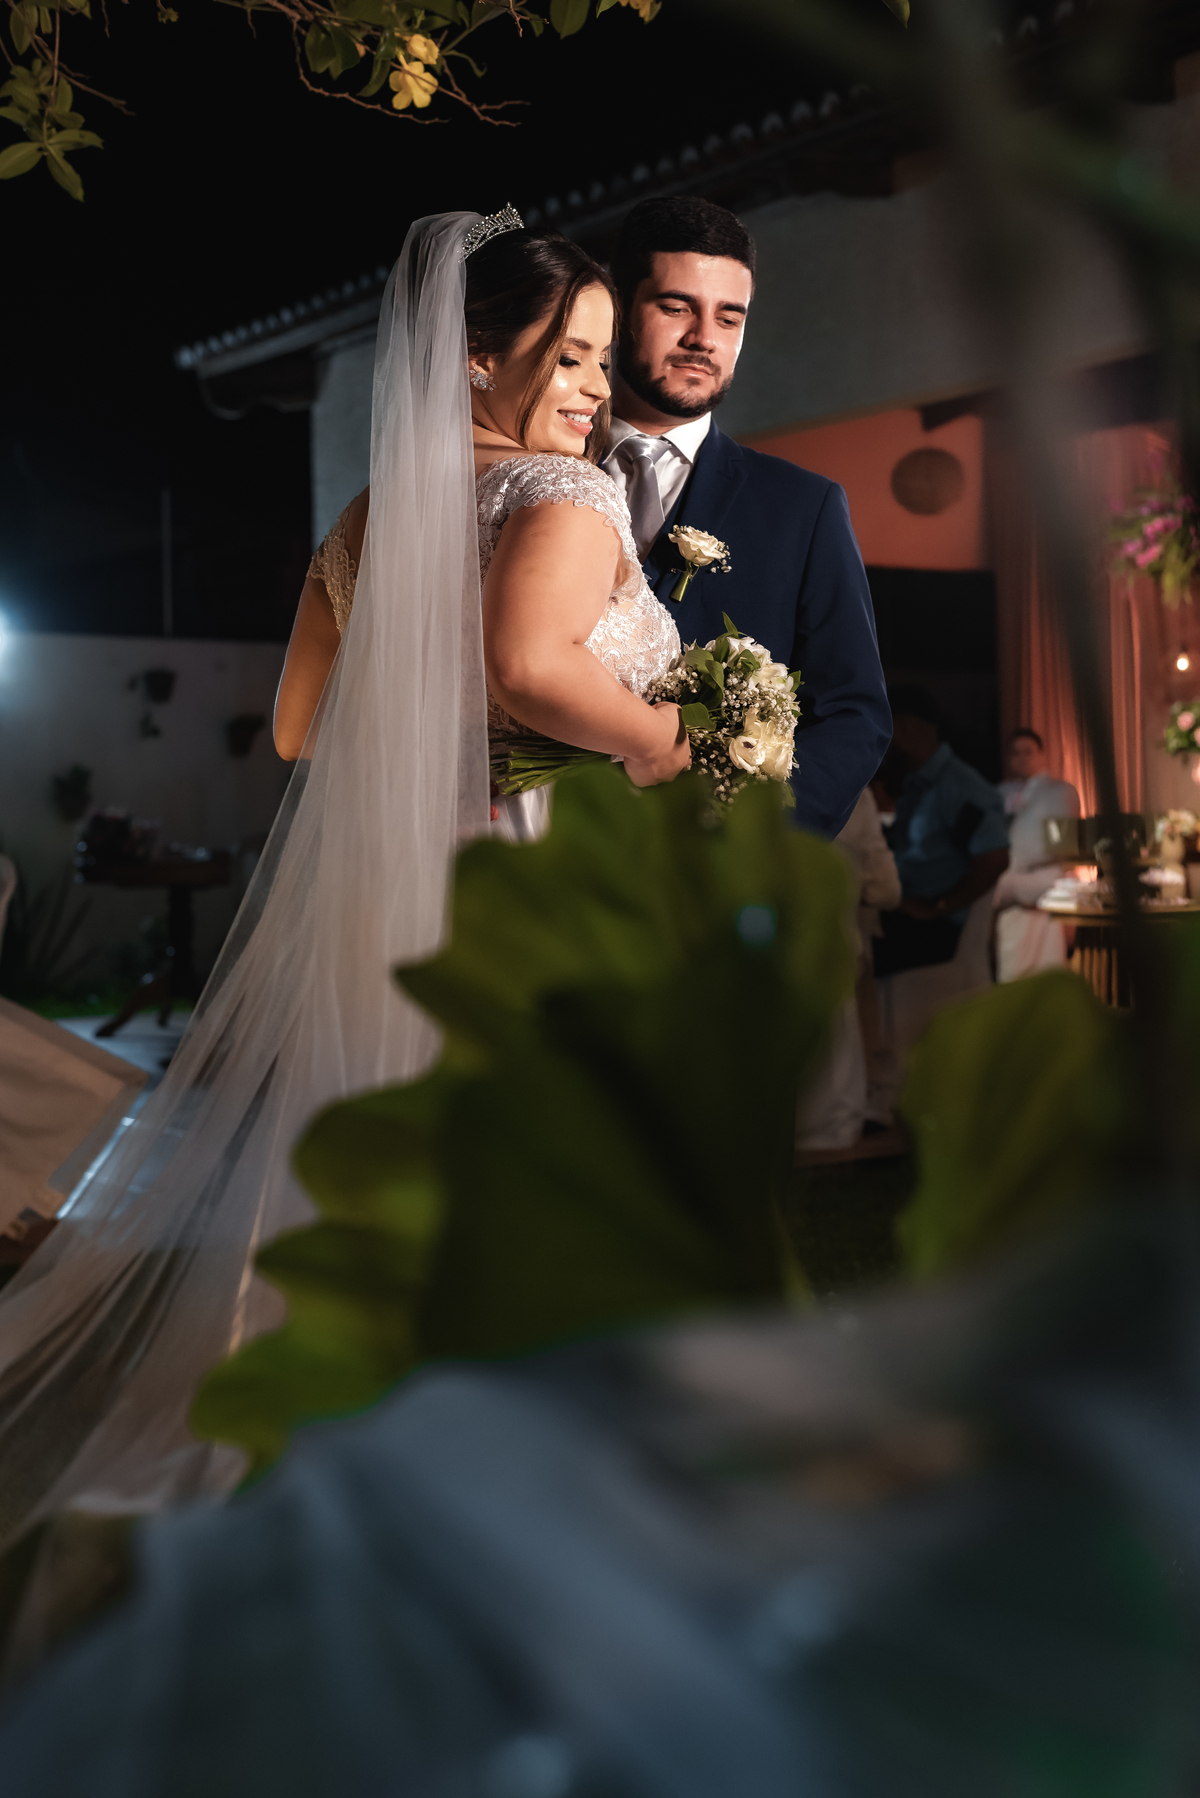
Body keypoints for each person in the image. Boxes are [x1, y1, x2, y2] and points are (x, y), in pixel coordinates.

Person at [0, 211, 689, 1551]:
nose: (597, 390)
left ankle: (397, 1414)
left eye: (606, 361)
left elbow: (300, 729)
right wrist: (661, 736)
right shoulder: (564, 494)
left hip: (410, 867)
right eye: (571, 356)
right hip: (531, 858)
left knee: (407, 1132)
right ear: (477, 355)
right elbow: (531, 668)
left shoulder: (375, 516)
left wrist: (437, 726)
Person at [602, 196, 891, 840]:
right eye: (676, 307)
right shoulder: (533, 477)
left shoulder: (803, 507)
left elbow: (853, 714)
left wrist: (757, 847)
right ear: (617, 309)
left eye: (729, 317)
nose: (704, 338)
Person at [873, 686, 1010, 979]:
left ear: (906, 728)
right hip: (905, 913)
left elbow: (995, 858)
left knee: (845, 951)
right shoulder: (916, 782)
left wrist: (939, 907)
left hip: (933, 929)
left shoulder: (961, 788)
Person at [796, 787, 901, 1152]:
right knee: (837, 1044)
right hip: (835, 940)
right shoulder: (853, 792)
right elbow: (886, 889)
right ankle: (832, 1139)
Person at [992, 727, 1081, 982]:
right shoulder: (1000, 792)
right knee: (1011, 958)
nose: (1022, 758)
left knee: (1043, 959)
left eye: (1028, 752)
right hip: (1008, 882)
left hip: (1042, 878)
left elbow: (1063, 843)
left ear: (1042, 754)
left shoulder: (1060, 790)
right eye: (1016, 753)